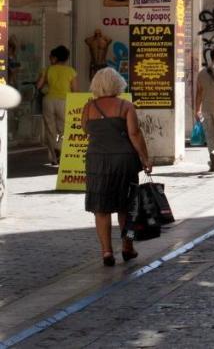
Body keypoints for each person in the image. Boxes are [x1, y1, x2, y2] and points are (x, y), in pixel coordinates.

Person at [83, 67, 151, 266]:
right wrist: (145, 158)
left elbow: (85, 128)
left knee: (101, 208)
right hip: (124, 161)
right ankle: (127, 247)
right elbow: (135, 134)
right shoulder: (125, 107)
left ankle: (106, 252)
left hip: (97, 161)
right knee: (127, 207)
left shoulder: (88, 108)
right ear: (117, 84)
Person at [36, 45, 77, 166]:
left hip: (48, 100)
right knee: (63, 129)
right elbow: (75, 90)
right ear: (66, 58)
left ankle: (53, 158)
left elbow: (38, 86)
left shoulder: (47, 69)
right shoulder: (71, 71)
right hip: (65, 101)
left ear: (55, 57)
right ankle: (60, 149)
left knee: (50, 130)